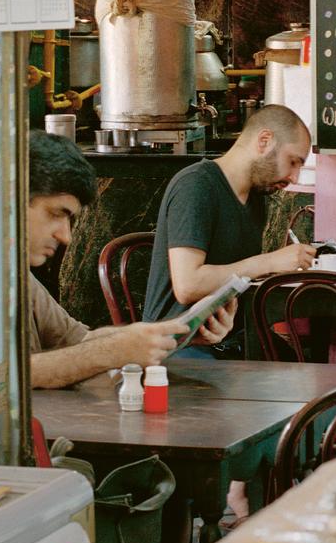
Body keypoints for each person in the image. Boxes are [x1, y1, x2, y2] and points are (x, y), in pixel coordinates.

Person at [27, 130, 234, 388]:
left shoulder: (18, 279)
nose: (66, 237)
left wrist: (167, 334)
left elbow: (77, 340)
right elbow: (0, 377)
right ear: (10, 198)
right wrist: (112, 351)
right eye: (57, 213)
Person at [142, 105, 316, 353]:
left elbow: (237, 276)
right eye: (292, 162)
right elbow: (188, 285)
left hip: (230, 338)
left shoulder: (256, 196)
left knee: (304, 364)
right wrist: (268, 262)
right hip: (178, 345)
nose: (295, 177)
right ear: (264, 141)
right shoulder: (196, 185)